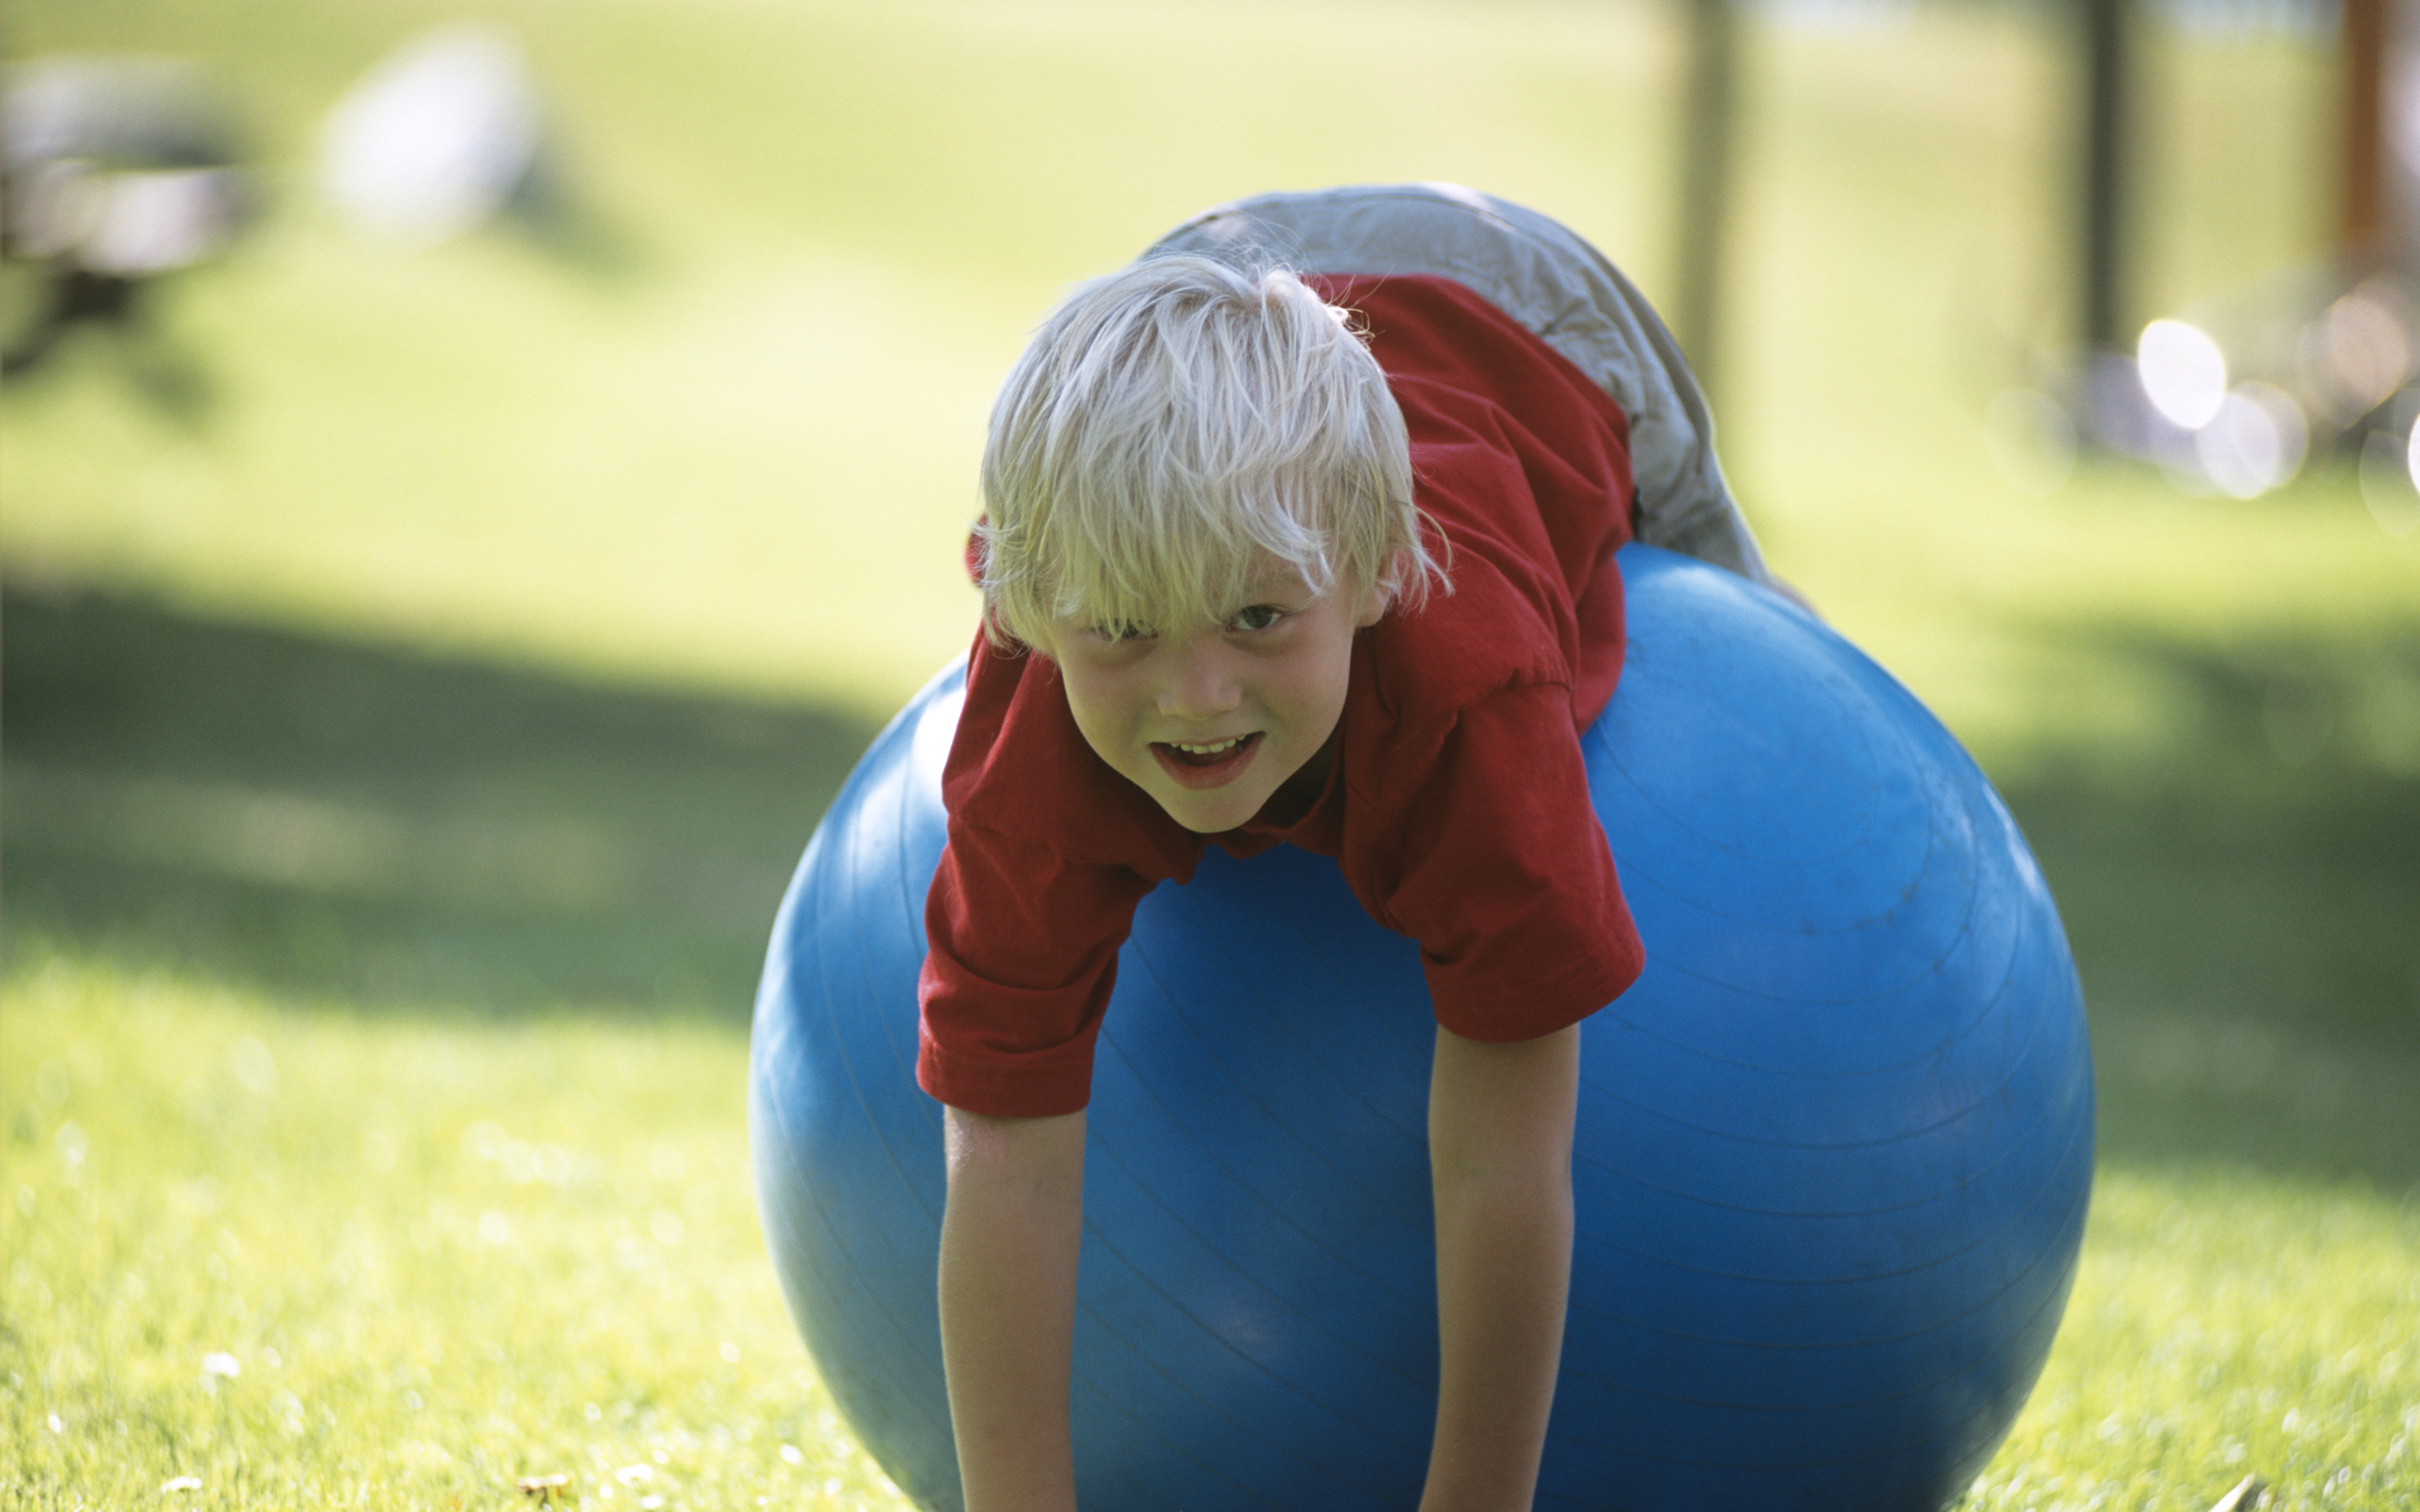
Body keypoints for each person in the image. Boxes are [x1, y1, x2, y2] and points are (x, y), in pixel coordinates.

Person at [917, 183, 1779, 1512]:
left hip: (1530, 309)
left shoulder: (1470, 704)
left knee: (1771, 669)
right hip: (1227, 264)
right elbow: (1008, 1159)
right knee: (1135, 499)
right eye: (1122, 630)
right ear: (1023, 607)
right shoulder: (1026, 737)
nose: (1196, 696)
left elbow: (1505, 1156)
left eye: (1257, 618)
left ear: (1382, 570)